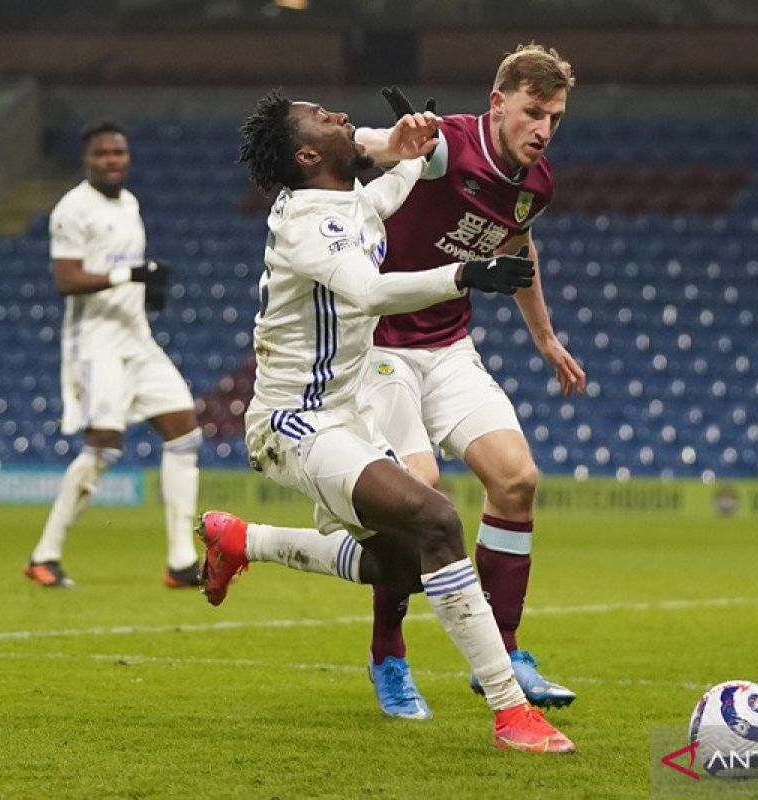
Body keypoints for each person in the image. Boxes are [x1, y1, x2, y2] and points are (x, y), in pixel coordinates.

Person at [197, 89, 574, 753]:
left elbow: (383, 197)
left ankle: (242, 541)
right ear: (308, 152)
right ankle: (511, 711)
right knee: (436, 518)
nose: (341, 116)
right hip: (296, 422)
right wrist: (465, 273)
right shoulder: (305, 223)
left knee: (400, 568)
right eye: (324, 117)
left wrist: (413, 154)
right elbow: (369, 290)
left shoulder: (345, 202)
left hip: (347, 414)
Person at [348, 43, 585, 717]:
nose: (543, 129)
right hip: (381, 344)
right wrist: (395, 141)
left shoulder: (536, 185)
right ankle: (389, 657)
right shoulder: (449, 142)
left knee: (517, 478)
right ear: (498, 103)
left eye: (556, 118)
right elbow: (373, 151)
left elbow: (517, 245)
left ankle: (502, 654)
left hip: (448, 344)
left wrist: (544, 336)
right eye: (533, 112)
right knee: (418, 496)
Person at [24, 121, 203, 589]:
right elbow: (66, 280)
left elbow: (127, 270)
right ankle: (45, 554)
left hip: (136, 338)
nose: (111, 161)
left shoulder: (129, 204)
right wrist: (131, 278)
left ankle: (182, 562)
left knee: (183, 427)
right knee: (103, 447)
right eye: (102, 153)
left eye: (118, 153)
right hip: (96, 342)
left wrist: (147, 290)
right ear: (86, 160)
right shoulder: (72, 209)